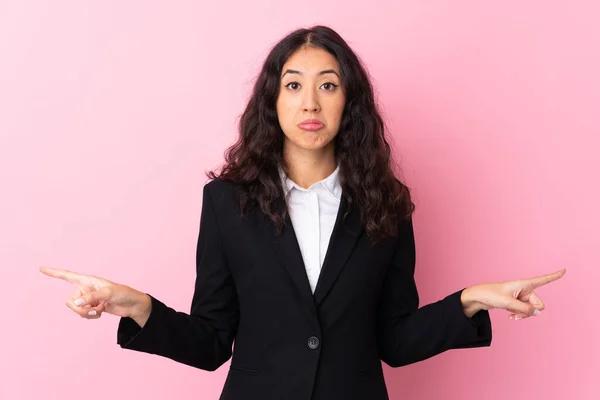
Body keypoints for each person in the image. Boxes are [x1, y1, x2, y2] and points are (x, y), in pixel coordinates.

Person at [40, 25, 566, 400]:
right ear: (273, 101)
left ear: (348, 102)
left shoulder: (389, 203)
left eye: (328, 85)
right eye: (293, 85)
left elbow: (396, 341)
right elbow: (210, 342)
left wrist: (470, 302)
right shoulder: (226, 202)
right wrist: (138, 308)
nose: (310, 103)